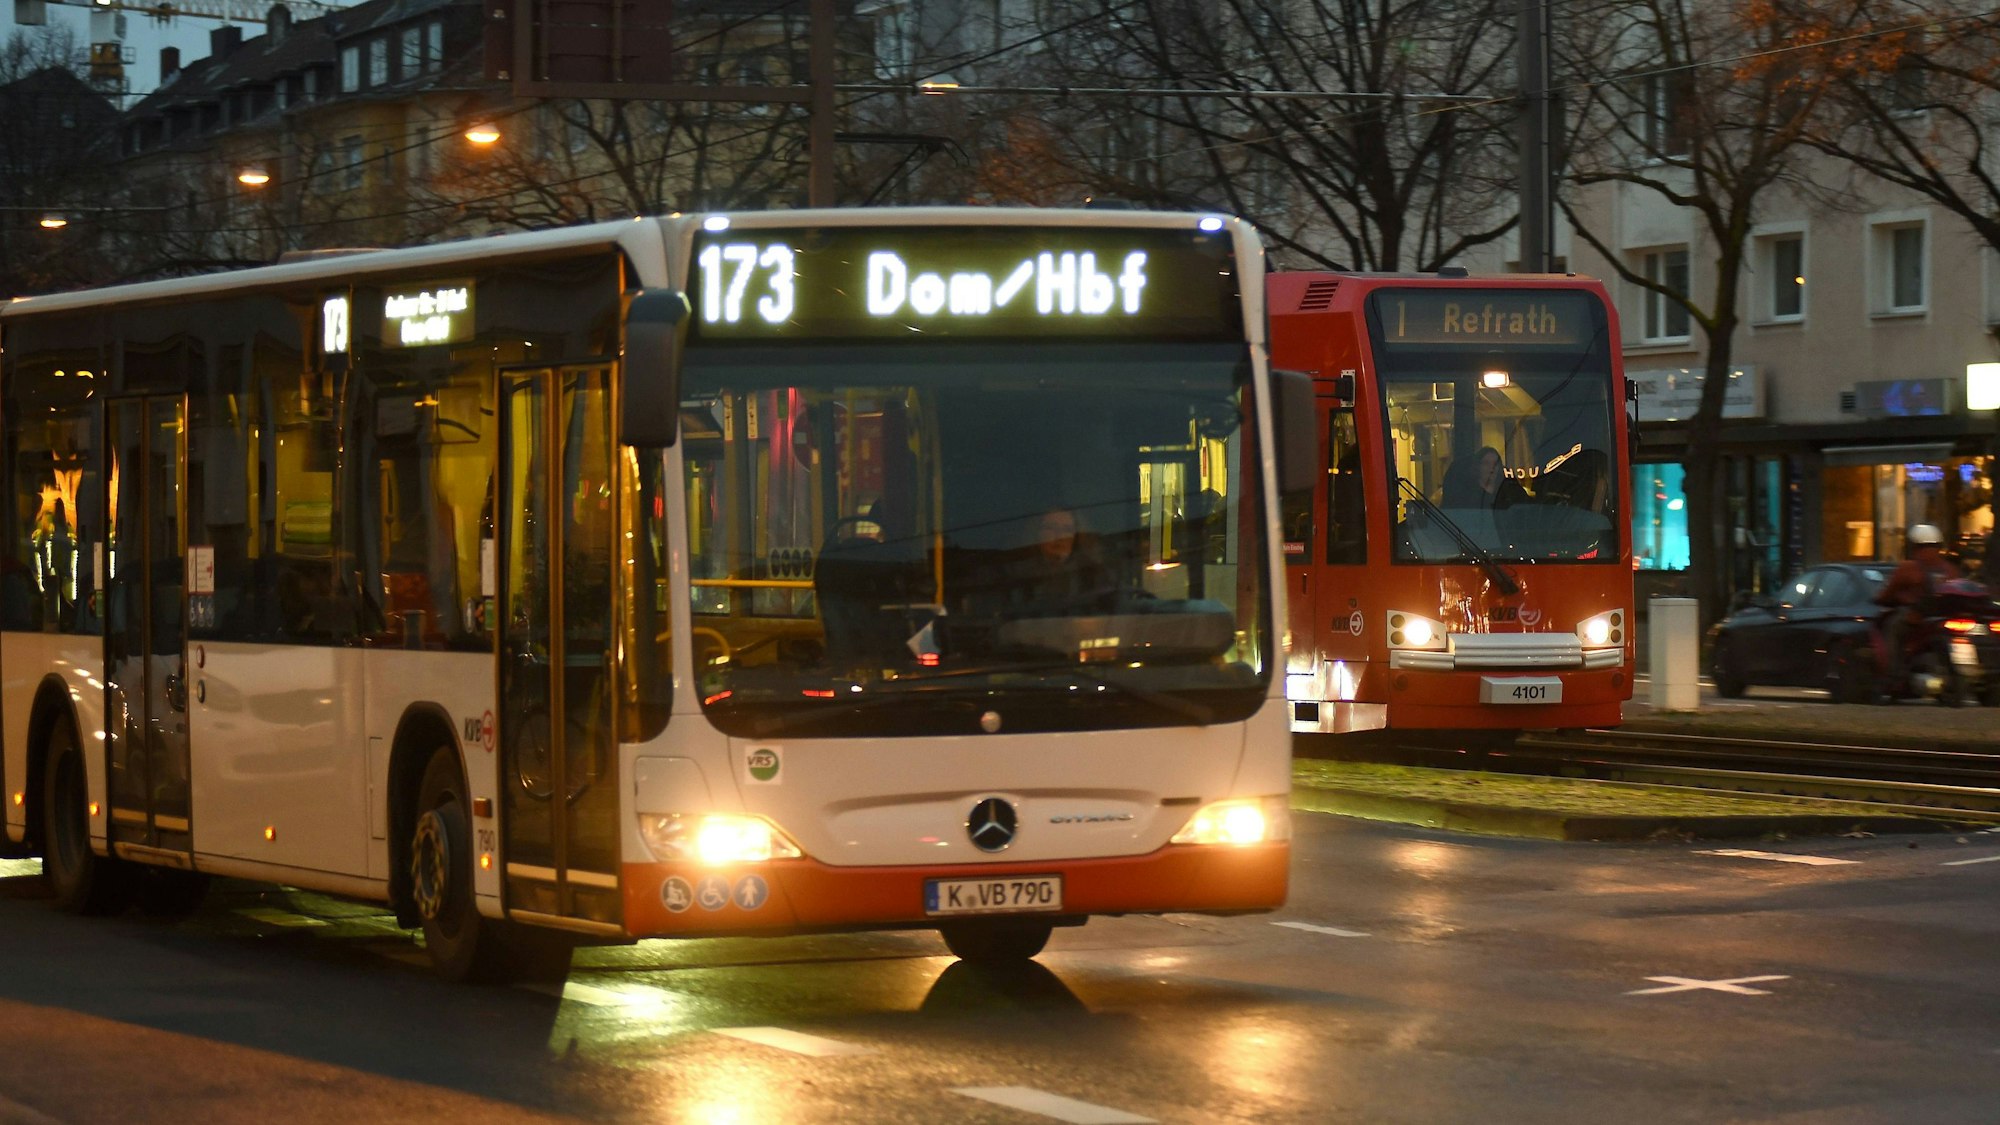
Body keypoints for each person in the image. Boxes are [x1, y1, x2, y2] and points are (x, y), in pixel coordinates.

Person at [1874, 523, 1960, 692]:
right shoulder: (1951, 570)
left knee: (1892, 629)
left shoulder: (1908, 568)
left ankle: (1892, 676)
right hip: (1944, 619)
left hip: (1916, 618)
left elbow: (1888, 593)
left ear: (1913, 545)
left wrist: (1879, 599)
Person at [1009, 506, 1109, 612]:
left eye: (1067, 530)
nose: (1059, 536)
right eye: (1050, 528)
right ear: (1037, 534)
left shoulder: (1092, 574)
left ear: (1077, 536)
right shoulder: (1019, 575)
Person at [1442, 446, 1527, 509]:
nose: (1492, 468)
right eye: (1486, 463)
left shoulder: (1510, 489)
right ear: (1478, 467)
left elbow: (1529, 507)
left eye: (1495, 463)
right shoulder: (1466, 495)